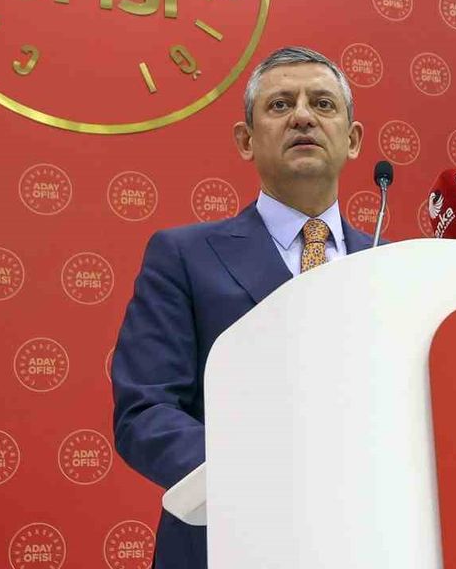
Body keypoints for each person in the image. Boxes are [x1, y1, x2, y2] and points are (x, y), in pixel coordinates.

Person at [111, 46, 372, 569]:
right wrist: (257, 476)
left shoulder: (394, 265)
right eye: (280, 105)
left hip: (372, 534)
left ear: (353, 138)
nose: (303, 116)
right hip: (230, 538)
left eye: (323, 104)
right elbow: (145, 411)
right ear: (246, 140)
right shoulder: (183, 256)